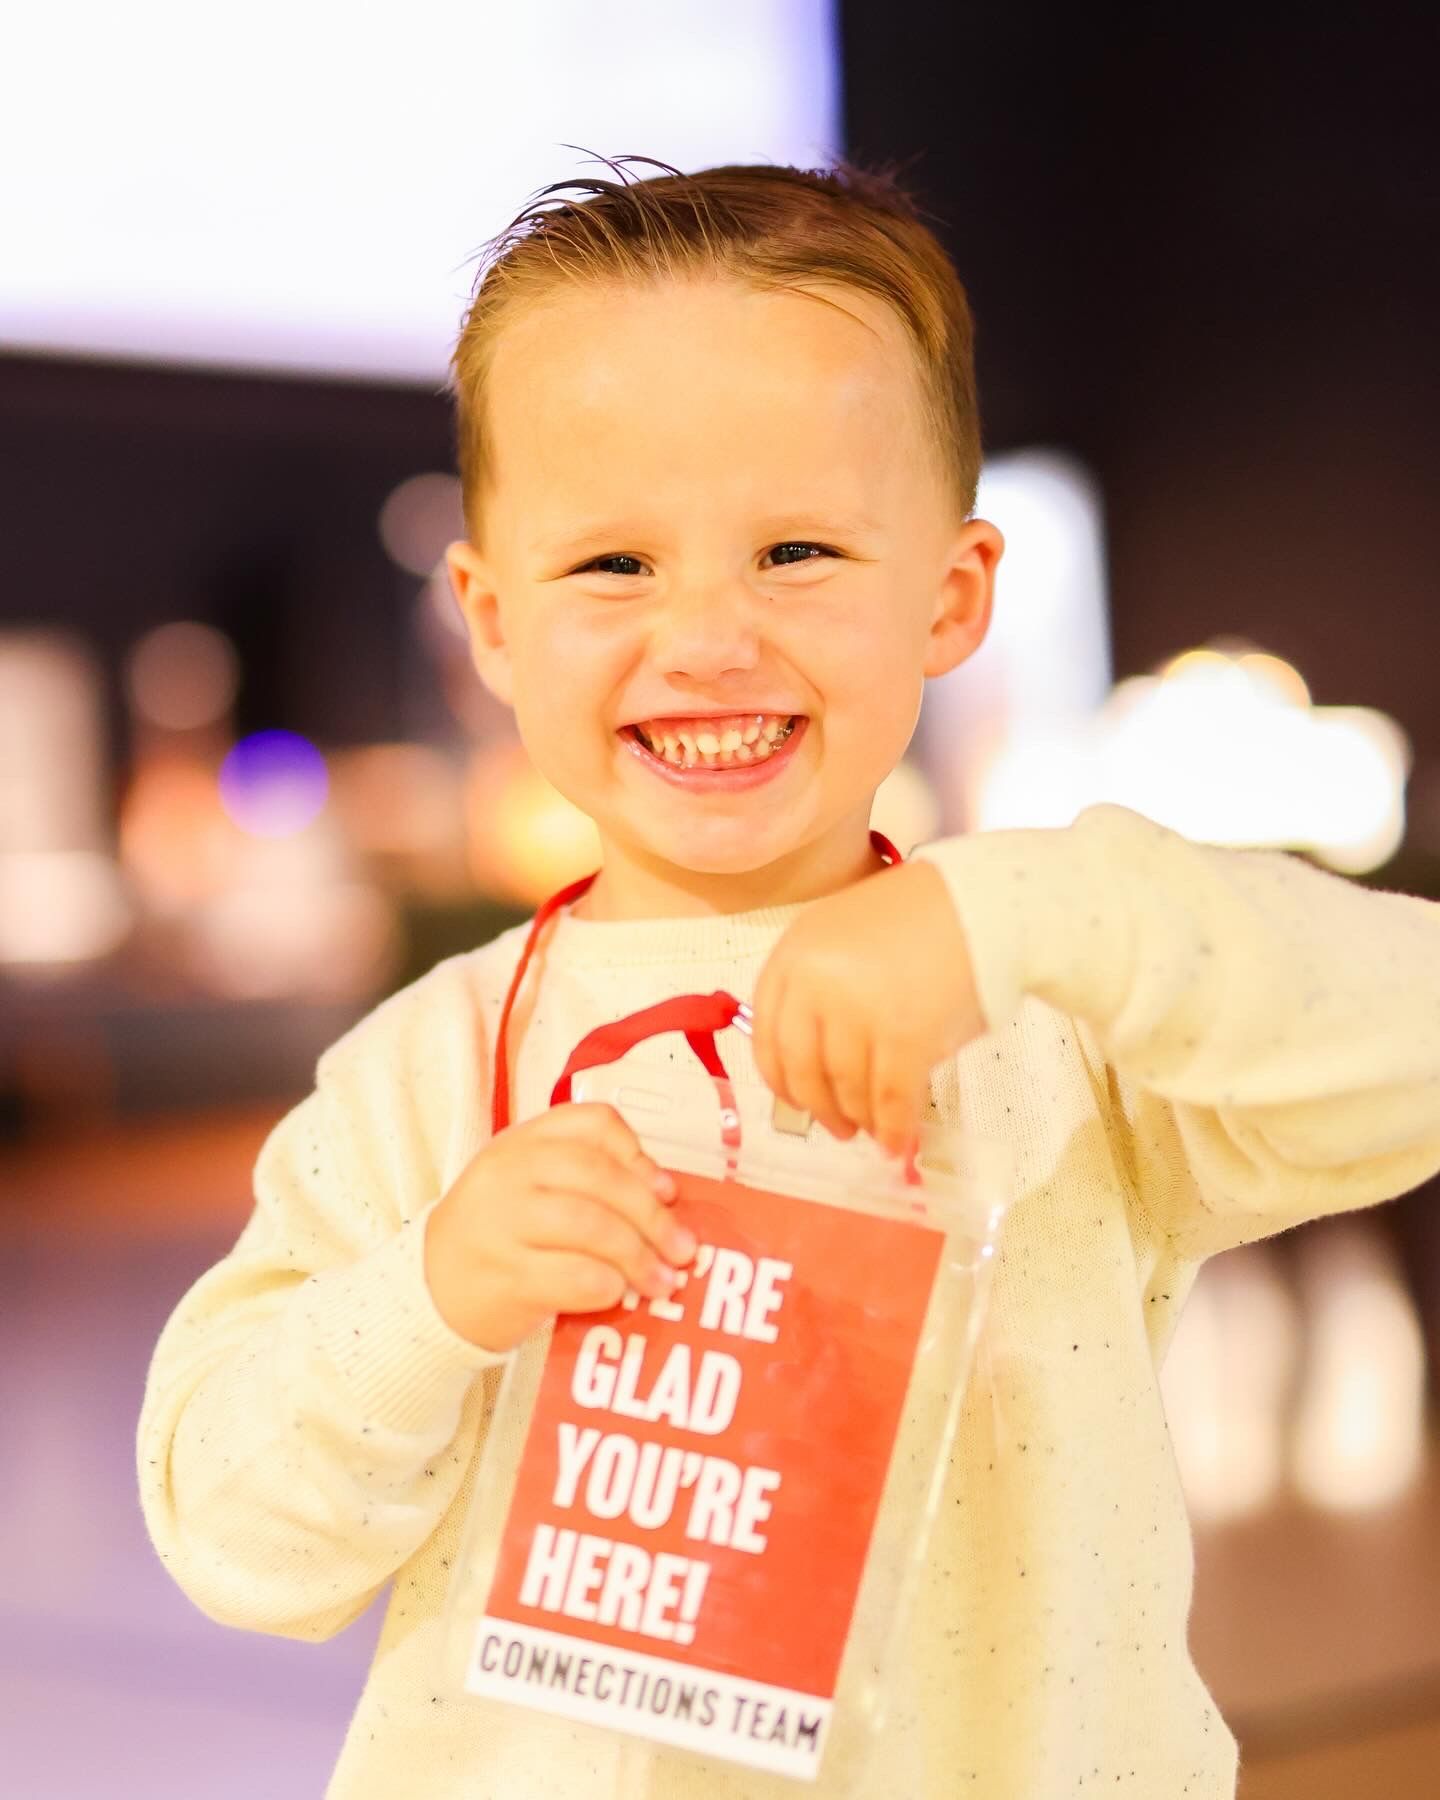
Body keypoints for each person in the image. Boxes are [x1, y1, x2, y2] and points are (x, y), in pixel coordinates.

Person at [137, 153, 1440, 1799]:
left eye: (798, 550)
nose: (707, 639)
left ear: (951, 597)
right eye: (614, 565)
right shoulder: (425, 1075)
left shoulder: (1054, 1022)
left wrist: (1038, 912)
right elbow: (231, 1532)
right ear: (490, 618)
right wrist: (433, 1295)